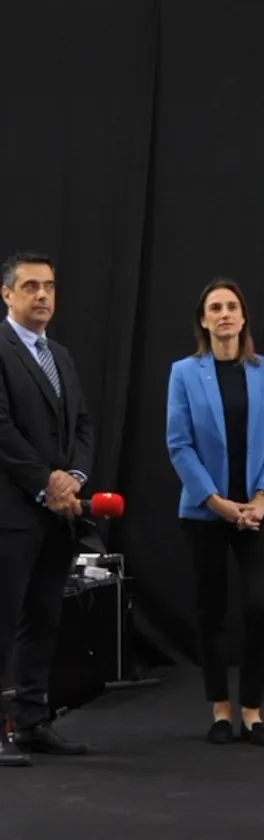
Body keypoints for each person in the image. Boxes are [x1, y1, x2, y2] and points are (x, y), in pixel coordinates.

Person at [166, 278, 264, 747]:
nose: (224, 314)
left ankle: (253, 710)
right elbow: (179, 445)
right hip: (205, 512)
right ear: (203, 319)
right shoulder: (184, 372)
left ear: (243, 317)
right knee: (210, 611)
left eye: (232, 306)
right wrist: (216, 503)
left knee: (262, 607)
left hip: (258, 511)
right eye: (215, 307)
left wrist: (260, 500)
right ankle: (221, 709)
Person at [0, 252, 95, 768]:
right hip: (12, 511)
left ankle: (33, 722)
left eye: (50, 287)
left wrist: (74, 478)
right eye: (31, 286)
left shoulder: (60, 355)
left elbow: (82, 424)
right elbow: (2, 430)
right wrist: (46, 481)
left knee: (43, 618)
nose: (42, 295)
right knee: (3, 619)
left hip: (57, 515)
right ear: (7, 294)